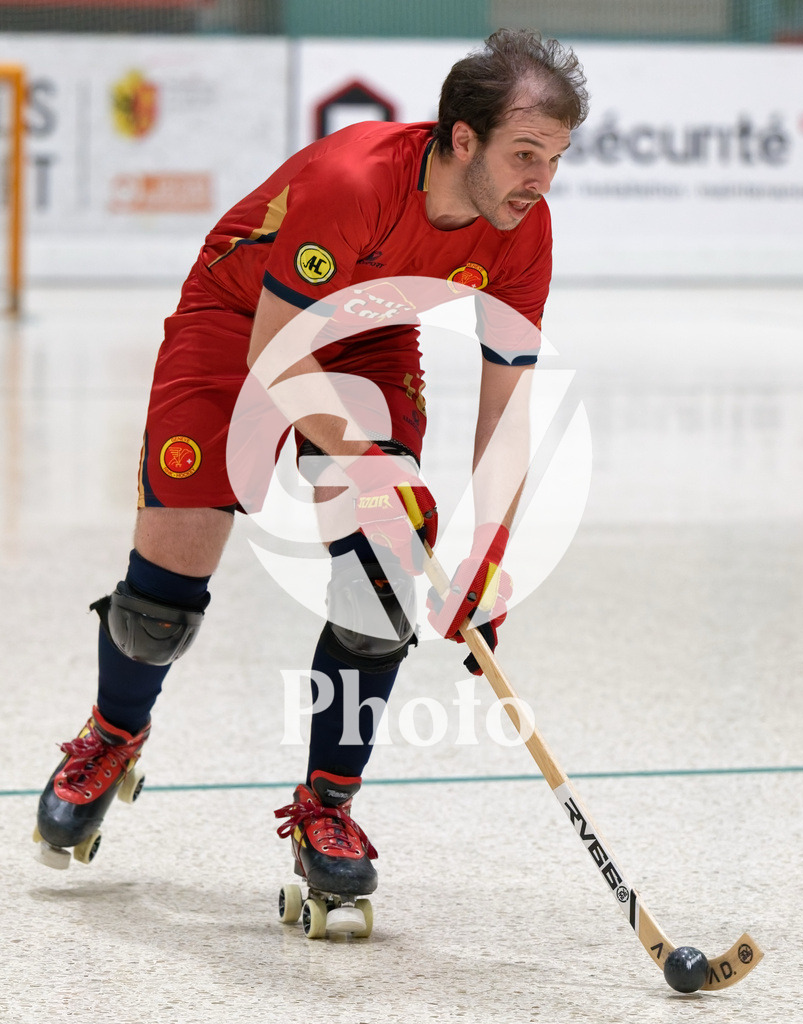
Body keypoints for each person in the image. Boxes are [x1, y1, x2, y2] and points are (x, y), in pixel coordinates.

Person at [35, 29, 588, 928]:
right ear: (460, 140)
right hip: (241, 317)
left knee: (379, 584)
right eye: (525, 154)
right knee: (159, 606)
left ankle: (327, 810)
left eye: (555, 159)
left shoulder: (525, 232)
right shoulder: (353, 183)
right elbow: (274, 360)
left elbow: (509, 404)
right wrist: (369, 464)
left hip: (368, 335)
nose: (541, 180)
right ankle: (111, 735)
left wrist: (491, 549)